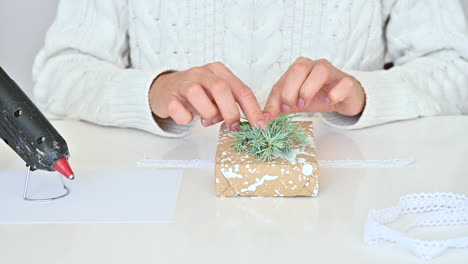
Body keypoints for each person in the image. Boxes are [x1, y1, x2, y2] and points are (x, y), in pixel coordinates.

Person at [33, 0, 468, 138]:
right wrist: (153, 90)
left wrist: (366, 94)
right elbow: (59, 74)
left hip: (350, 215)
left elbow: (457, 69)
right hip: (162, 220)